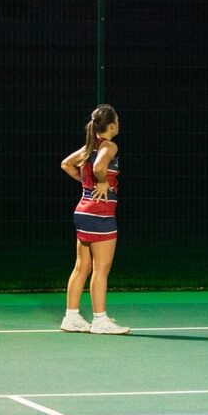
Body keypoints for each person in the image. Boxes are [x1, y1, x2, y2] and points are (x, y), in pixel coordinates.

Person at [59, 104, 129, 335]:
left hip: (83, 210)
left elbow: (66, 164)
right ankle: (100, 320)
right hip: (100, 213)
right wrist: (100, 181)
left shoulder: (90, 147)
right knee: (101, 269)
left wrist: (85, 183)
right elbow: (99, 167)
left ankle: (71, 317)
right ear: (111, 125)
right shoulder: (109, 146)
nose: (119, 123)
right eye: (117, 120)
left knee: (82, 267)